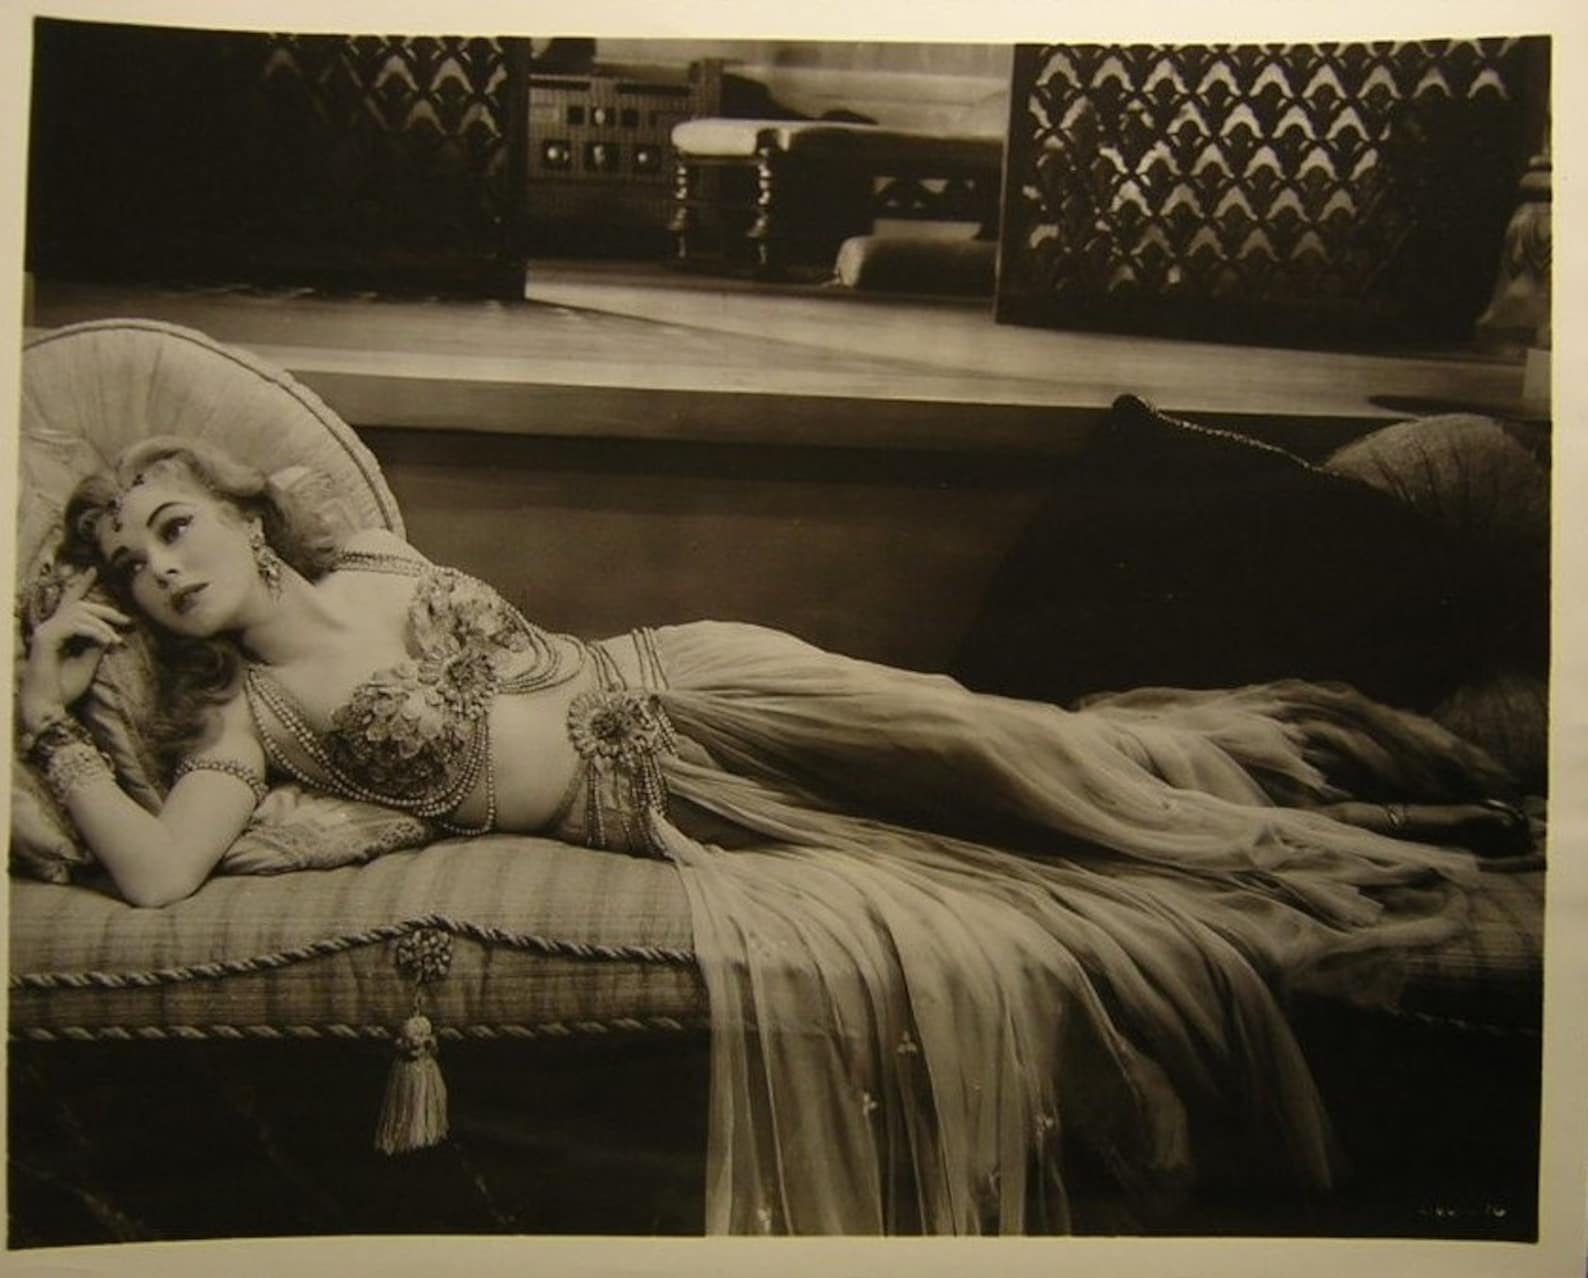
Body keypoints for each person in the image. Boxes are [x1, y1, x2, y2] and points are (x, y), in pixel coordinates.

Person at [18, 435, 1529, 1235]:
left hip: (702, 672)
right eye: (131, 567)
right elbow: (154, 873)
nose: (162, 569)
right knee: (1042, 853)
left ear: (245, 515)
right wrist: (48, 713)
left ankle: (1392, 798)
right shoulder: (251, 725)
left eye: (173, 526)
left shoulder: (371, 560)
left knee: (1035, 749)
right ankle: (1368, 854)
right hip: (678, 802)